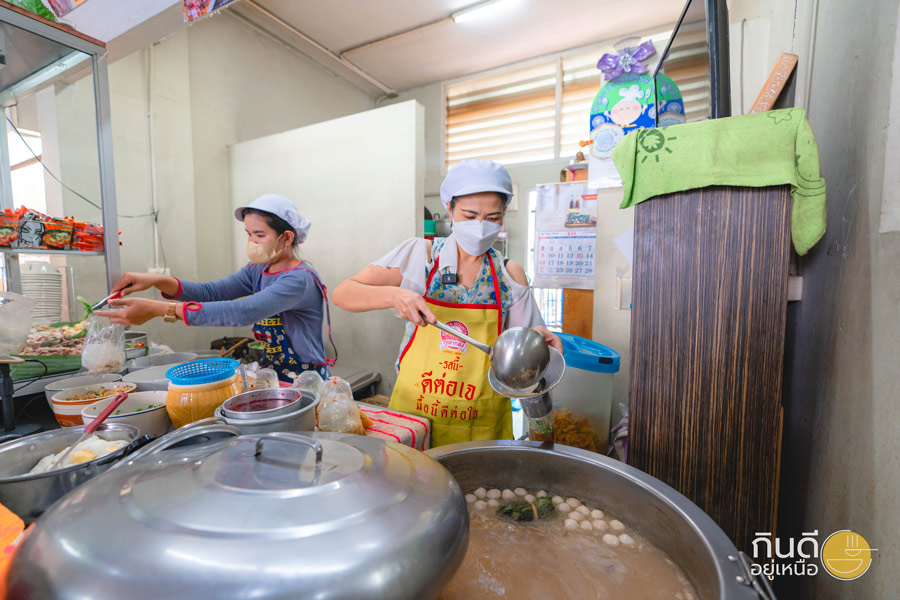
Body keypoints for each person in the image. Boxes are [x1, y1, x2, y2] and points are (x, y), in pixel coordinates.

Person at [333, 160, 561, 446]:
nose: (480, 226)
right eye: (469, 215)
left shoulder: (508, 274)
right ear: (449, 209)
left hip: (482, 420)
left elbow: (525, 358)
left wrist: (540, 345)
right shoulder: (421, 257)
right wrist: (394, 295)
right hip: (416, 416)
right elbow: (343, 293)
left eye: (492, 217)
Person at [95, 194, 336, 381]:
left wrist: (161, 309)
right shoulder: (258, 270)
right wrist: (157, 280)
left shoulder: (298, 279)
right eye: (249, 234)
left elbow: (243, 312)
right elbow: (210, 293)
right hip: (273, 374)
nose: (252, 241)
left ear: (286, 238)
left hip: (305, 379)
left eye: (260, 235)